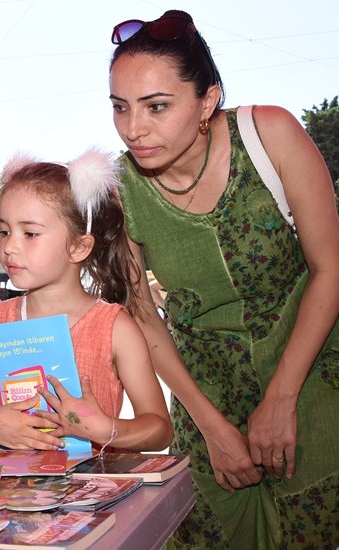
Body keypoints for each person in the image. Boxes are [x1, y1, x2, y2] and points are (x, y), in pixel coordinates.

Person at [108, 10, 338, 547]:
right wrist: (211, 428)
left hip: (310, 377)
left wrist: (282, 400)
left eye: (156, 107)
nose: (133, 129)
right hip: (201, 394)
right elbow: (143, 315)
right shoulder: (120, 186)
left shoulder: (271, 135)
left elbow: (330, 270)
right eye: (120, 107)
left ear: (207, 101)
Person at [0, 151, 172, 453]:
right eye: (5, 231)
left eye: (30, 233)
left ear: (78, 247)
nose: (8, 247)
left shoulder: (114, 328)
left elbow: (159, 429)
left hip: (88, 491)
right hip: (7, 494)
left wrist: (104, 429)